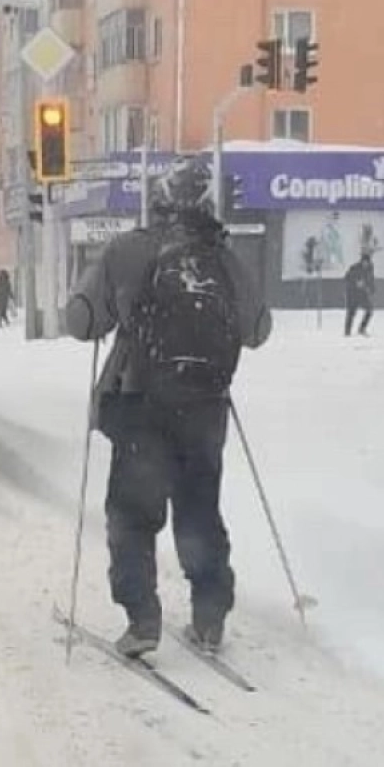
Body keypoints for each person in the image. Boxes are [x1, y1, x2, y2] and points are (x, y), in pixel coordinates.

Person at [65, 154, 272, 657]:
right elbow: (257, 330)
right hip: (204, 408)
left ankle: (143, 620)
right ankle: (209, 617)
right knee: (199, 511)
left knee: (134, 514)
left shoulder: (128, 250)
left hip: (141, 404)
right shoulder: (222, 257)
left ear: (156, 200)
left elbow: (81, 321)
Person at [344, 254, 376, 336]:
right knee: (351, 313)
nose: (366, 264)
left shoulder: (370, 269)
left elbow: (371, 280)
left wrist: (372, 289)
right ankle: (347, 332)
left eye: (367, 262)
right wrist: (356, 282)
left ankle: (362, 328)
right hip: (353, 294)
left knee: (369, 310)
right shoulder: (354, 268)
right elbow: (347, 278)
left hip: (363, 294)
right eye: (364, 262)